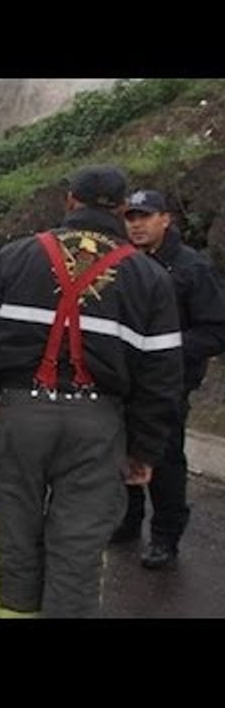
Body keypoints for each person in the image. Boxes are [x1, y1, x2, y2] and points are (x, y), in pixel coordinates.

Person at [0, 166, 183, 617]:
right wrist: (144, 450)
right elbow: (161, 377)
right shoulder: (150, 278)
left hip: (21, 418)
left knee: (16, 540)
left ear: (70, 200)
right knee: (78, 549)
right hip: (98, 429)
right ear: (119, 209)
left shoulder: (16, 256)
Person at [111, 189, 225, 568]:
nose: (137, 224)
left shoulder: (192, 268)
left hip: (168, 383)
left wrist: (164, 350)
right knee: (124, 450)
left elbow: (215, 330)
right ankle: (127, 521)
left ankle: (165, 536)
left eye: (145, 216)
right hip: (126, 380)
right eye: (131, 217)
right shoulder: (122, 263)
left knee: (163, 459)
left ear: (166, 220)